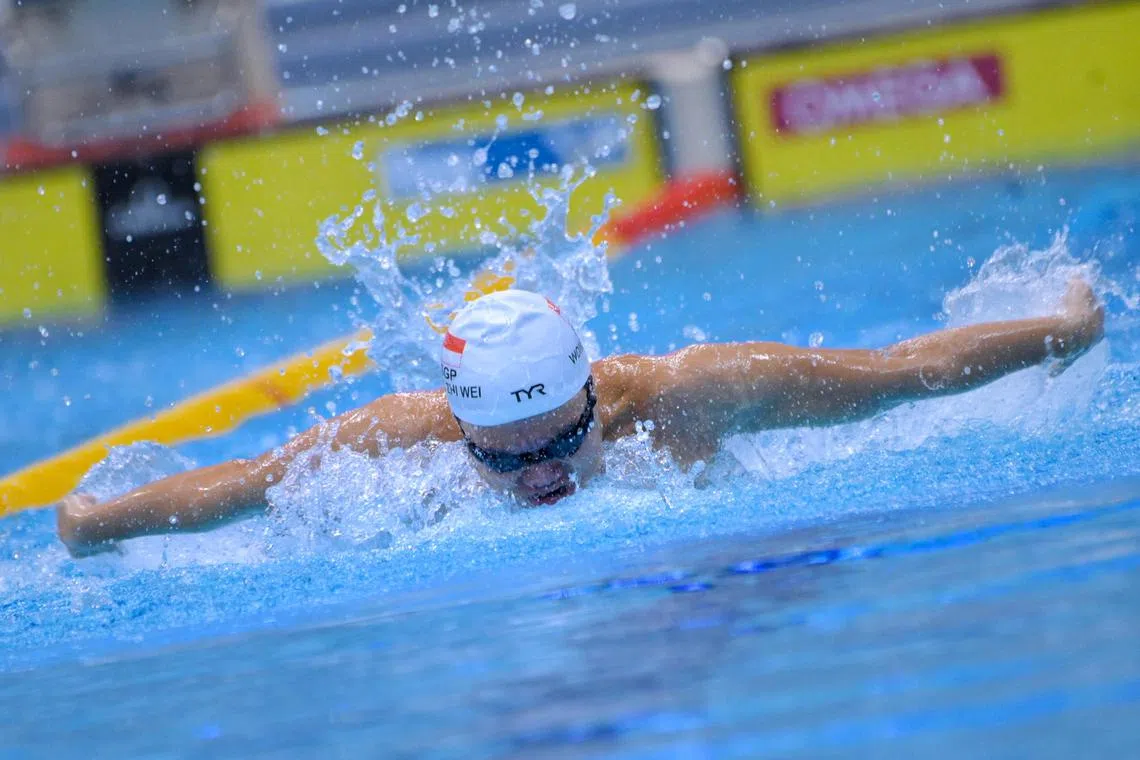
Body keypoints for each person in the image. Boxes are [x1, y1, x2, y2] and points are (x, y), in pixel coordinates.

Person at [57, 282, 1105, 556]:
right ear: (461, 434)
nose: (544, 478)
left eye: (563, 440)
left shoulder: (700, 392)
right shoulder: (402, 434)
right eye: (504, 461)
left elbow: (897, 372)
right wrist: (98, 522)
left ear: (594, 395)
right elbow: (241, 486)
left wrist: (1063, 333)